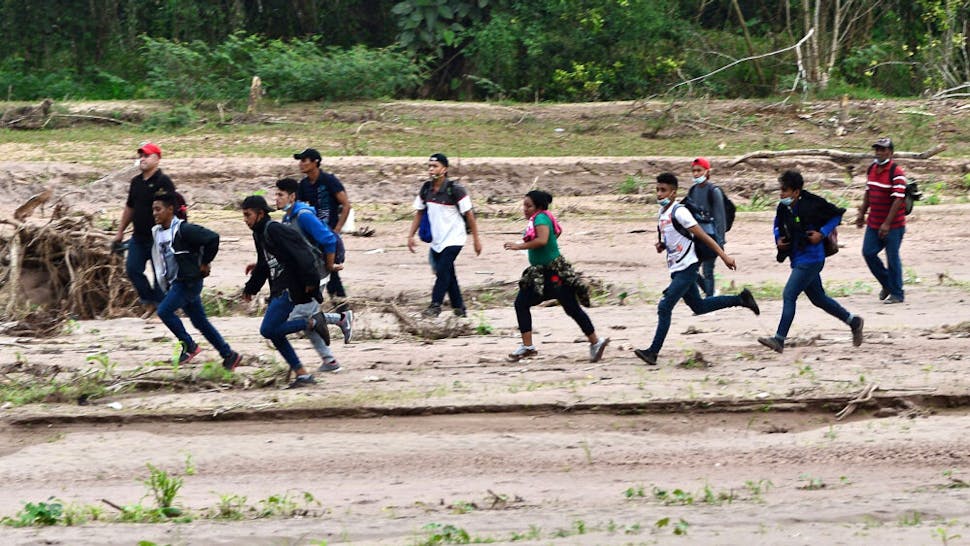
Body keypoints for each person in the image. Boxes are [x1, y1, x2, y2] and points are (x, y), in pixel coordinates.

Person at [634, 173, 760, 366]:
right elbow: (673, 238)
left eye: (664, 190)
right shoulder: (662, 214)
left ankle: (653, 352)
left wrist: (724, 256)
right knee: (699, 307)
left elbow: (703, 237)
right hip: (677, 268)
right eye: (658, 190)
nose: (659, 194)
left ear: (674, 193)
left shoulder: (680, 212)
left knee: (664, 307)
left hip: (688, 267)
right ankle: (741, 299)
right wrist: (662, 246)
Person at [758, 170, 864, 353]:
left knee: (789, 294)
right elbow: (777, 224)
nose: (781, 194)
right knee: (818, 299)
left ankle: (779, 339)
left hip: (812, 258)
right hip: (797, 256)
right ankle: (853, 321)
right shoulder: (783, 207)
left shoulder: (813, 203)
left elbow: (837, 215)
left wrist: (822, 233)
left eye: (785, 190)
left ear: (796, 192)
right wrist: (778, 239)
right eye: (781, 190)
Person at [503, 190, 609, 363]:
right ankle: (595, 342)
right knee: (570, 308)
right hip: (546, 272)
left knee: (524, 303)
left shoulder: (540, 218)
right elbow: (557, 232)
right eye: (524, 205)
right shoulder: (545, 216)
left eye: (528, 206)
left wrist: (518, 246)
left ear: (538, 206)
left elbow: (543, 240)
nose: (525, 209)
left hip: (551, 273)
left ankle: (529, 347)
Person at [241, 195, 330, 388]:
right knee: (274, 332)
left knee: (268, 329)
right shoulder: (259, 233)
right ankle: (302, 375)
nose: (245, 220)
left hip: (290, 286)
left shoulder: (274, 229)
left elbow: (302, 253)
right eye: (244, 215)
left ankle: (312, 322)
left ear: (260, 213)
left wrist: (310, 281)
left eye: (248, 215)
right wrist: (251, 288)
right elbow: (264, 263)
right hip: (279, 287)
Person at [150, 193, 242, 370]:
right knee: (200, 322)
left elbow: (213, 238)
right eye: (153, 209)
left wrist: (205, 262)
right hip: (177, 282)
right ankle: (229, 355)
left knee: (164, 311)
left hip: (187, 282)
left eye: (158, 209)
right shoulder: (158, 232)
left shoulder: (184, 230)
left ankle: (189, 346)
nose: (154, 213)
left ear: (170, 210)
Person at [275, 178, 353, 373]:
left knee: (298, 318)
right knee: (307, 318)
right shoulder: (288, 217)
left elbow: (328, 239)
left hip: (315, 273)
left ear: (292, 197)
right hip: (303, 275)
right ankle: (330, 360)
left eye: (280, 195)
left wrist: (328, 265)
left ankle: (339, 320)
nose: (276, 199)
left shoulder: (303, 215)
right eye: (276, 194)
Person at [406, 153, 483, 317]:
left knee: (442, 272)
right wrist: (410, 235)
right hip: (437, 240)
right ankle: (459, 309)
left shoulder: (455, 189)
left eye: (435, 166)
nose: (431, 170)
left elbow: (469, 215)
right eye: (429, 166)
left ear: (445, 169)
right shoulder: (426, 189)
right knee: (448, 273)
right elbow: (419, 212)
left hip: (455, 238)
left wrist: (476, 240)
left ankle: (435, 306)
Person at [112, 142, 175, 312]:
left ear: (157, 159)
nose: (142, 159)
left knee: (160, 275)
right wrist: (120, 232)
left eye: (146, 156)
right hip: (138, 236)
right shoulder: (136, 182)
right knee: (132, 269)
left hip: (159, 237)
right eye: (141, 156)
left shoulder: (164, 182)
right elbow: (130, 207)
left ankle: (161, 308)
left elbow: (172, 208)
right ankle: (148, 302)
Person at [295, 148, 351, 311]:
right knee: (322, 271)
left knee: (329, 269)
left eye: (304, 160)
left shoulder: (329, 181)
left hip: (327, 236)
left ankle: (340, 308)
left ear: (316, 162)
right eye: (300, 161)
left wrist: (337, 229)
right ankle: (339, 307)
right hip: (313, 237)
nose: (301, 164)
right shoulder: (304, 185)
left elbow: (346, 204)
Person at [856, 137, 907, 304]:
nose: (879, 152)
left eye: (882, 149)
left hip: (894, 225)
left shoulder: (897, 172)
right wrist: (862, 214)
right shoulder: (872, 168)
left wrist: (887, 223)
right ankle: (887, 284)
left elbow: (898, 199)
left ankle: (897, 294)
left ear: (890, 153)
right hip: (874, 222)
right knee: (868, 252)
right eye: (877, 149)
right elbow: (868, 192)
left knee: (892, 257)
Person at [682, 157, 728, 297]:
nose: (696, 174)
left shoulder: (714, 191)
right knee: (691, 270)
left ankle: (709, 301)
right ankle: (711, 292)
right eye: (694, 171)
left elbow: (720, 218)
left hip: (711, 236)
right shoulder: (692, 191)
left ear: (707, 172)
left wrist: (720, 242)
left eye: (699, 170)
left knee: (708, 271)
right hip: (696, 238)